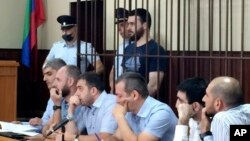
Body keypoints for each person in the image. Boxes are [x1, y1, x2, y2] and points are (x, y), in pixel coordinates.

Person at [106, 72, 177, 141]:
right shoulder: (129, 109)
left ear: (134, 95)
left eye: (120, 96)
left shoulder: (160, 113)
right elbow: (117, 137)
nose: (117, 100)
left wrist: (119, 116)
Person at [55, 72, 117, 141]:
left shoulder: (111, 103)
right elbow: (73, 133)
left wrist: (75, 138)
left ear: (93, 91)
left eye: (80, 89)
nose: (76, 94)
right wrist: (70, 111)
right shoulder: (85, 106)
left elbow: (105, 137)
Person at [122, 8, 167, 96]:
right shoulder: (128, 48)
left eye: (132, 24)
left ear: (145, 25)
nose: (128, 28)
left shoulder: (156, 50)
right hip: (127, 99)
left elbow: (153, 86)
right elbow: (124, 76)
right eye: (128, 24)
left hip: (145, 104)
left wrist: (136, 101)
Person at [200, 76, 250, 141]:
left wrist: (205, 133)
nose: (203, 99)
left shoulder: (221, 118)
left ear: (218, 103)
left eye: (207, 95)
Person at [42, 65, 81, 137]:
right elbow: (46, 127)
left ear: (70, 81)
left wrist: (57, 105)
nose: (54, 84)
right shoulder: (62, 101)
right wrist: (47, 133)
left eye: (58, 80)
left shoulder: (79, 104)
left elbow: (58, 132)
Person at [29, 58, 66, 129]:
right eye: (44, 75)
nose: (44, 79)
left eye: (49, 74)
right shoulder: (53, 95)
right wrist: (20, 125)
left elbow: (57, 129)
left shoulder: (69, 98)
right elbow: (44, 122)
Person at [109, 8, 131, 93]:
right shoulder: (120, 47)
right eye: (118, 26)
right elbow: (113, 69)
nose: (119, 29)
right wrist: (112, 84)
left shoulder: (138, 46)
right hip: (117, 89)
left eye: (122, 25)